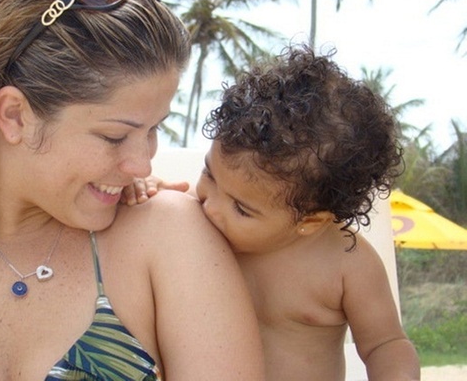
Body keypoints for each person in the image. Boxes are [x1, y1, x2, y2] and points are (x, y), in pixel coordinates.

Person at [0, 0, 265, 379]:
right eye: (114, 136)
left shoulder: (166, 236)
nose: (142, 164)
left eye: (152, 130)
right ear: (15, 116)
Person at [126, 45, 421, 380]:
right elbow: (161, 211)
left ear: (310, 221)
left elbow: (386, 344)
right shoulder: (197, 215)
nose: (210, 205)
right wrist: (144, 188)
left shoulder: (346, 264)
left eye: (241, 208)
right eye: (209, 174)